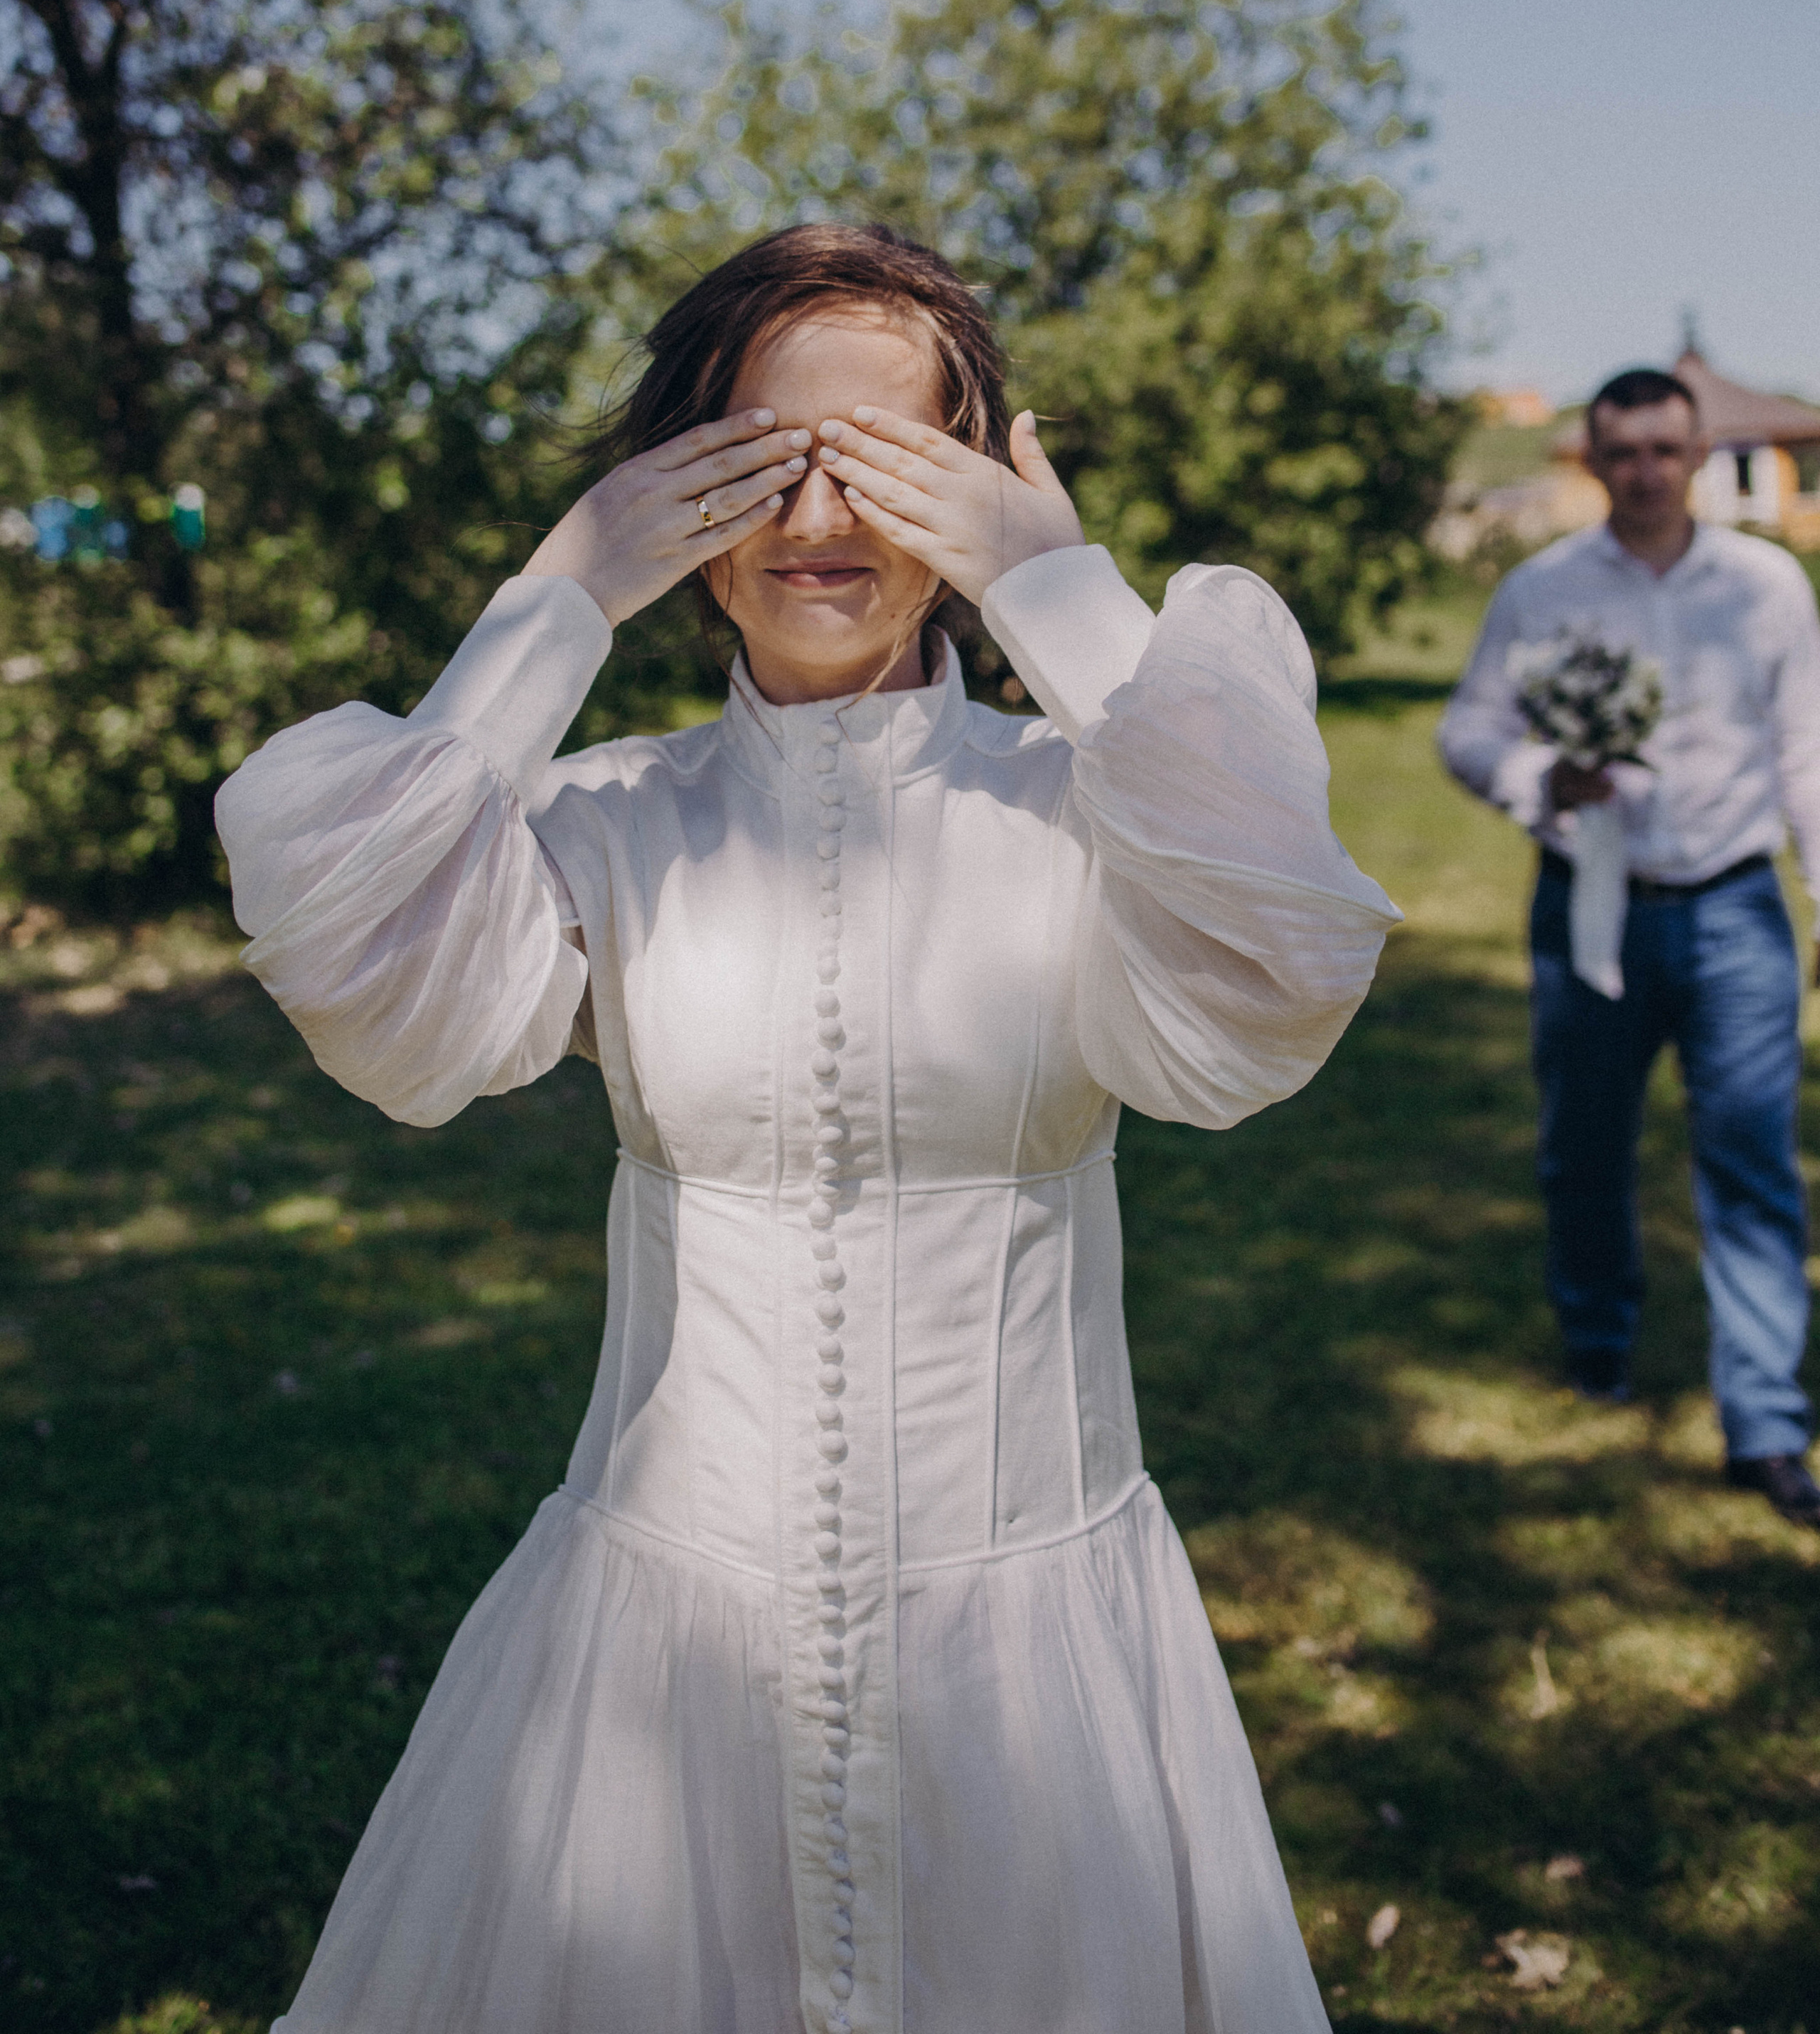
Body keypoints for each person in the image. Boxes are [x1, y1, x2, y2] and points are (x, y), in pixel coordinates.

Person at [215, 224, 1396, 2034]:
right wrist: (560, 594)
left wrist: (1056, 586)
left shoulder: (1091, 815)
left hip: (1031, 1681)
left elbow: (1279, 951)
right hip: (653, 1674)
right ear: (677, 496)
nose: (822, 518)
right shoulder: (605, 820)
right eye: (762, 459)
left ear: (974, 486)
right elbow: (360, 962)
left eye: (885, 461)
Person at [1439, 366, 1820, 1529]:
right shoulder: (1542, 588)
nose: (1647, 471)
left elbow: (1808, 750)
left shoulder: (1765, 586)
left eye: (1666, 449)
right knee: (1586, 1146)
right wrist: (1538, 777)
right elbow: (1468, 730)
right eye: (1625, 452)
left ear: (1698, 455)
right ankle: (1599, 1342)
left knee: (1751, 1161)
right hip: (1590, 907)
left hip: (1735, 905)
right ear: (1594, 461)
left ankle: (1766, 1422)